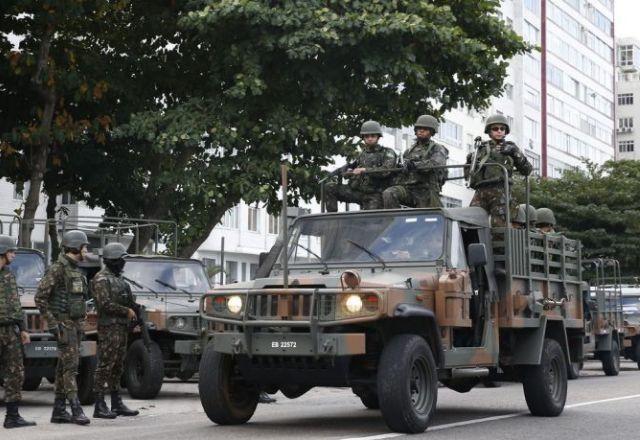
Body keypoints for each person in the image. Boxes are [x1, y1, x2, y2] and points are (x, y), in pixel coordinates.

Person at [35, 230, 91, 425]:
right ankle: (75, 408)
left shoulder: (76, 269)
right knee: (70, 368)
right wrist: (52, 323)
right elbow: (40, 297)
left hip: (74, 326)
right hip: (63, 325)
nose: (86, 250)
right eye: (84, 246)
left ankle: (59, 411)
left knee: (62, 368)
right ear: (75, 247)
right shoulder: (57, 269)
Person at [92, 242, 139, 418]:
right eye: (121, 260)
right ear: (112, 260)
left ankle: (116, 402)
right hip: (109, 328)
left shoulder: (120, 281)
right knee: (105, 364)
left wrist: (136, 314)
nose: (123, 263)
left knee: (118, 365)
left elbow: (130, 303)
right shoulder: (101, 279)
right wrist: (126, 311)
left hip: (121, 328)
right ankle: (99, 404)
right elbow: (104, 304)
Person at [466, 114, 532, 226]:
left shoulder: (511, 147)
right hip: (481, 190)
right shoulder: (480, 148)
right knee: (472, 221)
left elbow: (527, 170)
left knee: (499, 225)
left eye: (502, 129)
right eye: (495, 129)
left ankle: (501, 244)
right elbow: (469, 173)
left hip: (501, 190)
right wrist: (470, 160)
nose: (499, 131)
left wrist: (514, 152)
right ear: (489, 131)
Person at [0, 236, 36, 429]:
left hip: (10, 331)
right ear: (2, 252)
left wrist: (22, 329)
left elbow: (15, 304)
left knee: (15, 372)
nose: (14, 254)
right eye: (11, 251)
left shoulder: (9, 275)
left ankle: (12, 416)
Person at [325, 120, 397, 212]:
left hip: (375, 194)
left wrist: (364, 170)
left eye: (373, 136)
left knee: (369, 220)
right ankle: (332, 220)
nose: (370, 138)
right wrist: (347, 171)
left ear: (378, 137)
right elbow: (350, 172)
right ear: (363, 138)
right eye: (367, 136)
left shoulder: (387, 152)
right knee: (330, 187)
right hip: (357, 192)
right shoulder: (361, 154)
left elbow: (386, 171)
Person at [383, 115, 448, 208]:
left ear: (431, 132)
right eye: (419, 128)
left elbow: (436, 164)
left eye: (425, 129)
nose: (421, 131)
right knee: (389, 193)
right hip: (408, 189)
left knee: (427, 218)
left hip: (425, 191)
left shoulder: (438, 148)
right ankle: (395, 221)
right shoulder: (409, 151)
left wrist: (414, 165)